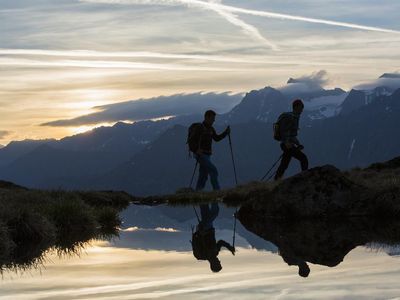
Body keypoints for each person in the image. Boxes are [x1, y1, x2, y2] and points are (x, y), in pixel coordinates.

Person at [192, 110, 230, 191]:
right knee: (213, 170)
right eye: (212, 119)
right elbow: (192, 141)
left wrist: (225, 133)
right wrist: (196, 150)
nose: (214, 120)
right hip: (201, 155)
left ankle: (197, 192)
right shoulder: (200, 128)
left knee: (203, 175)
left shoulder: (211, 128)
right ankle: (217, 191)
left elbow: (216, 138)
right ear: (207, 117)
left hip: (206, 155)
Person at [191, 203, 235, 272]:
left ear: (214, 264)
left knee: (215, 212)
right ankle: (201, 195)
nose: (219, 261)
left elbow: (195, 243)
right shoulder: (215, 252)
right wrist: (230, 248)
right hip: (209, 228)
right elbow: (221, 242)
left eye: (218, 263)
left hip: (204, 228)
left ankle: (214, 196)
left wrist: (199, 233)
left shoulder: (202, 255)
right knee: (205, 209)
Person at [274, 99, 309, 181]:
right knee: (303, 159)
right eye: (301, 108)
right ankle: (305, 179)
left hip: (286, 145)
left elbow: (291, 134)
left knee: (284, 164)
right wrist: (287, 143)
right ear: (296, 107)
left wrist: (298, 144)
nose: (302, 110)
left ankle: (276, 181)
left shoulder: (293, 117)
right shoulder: (290, 118)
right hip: (287, 145)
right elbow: (286, 132)